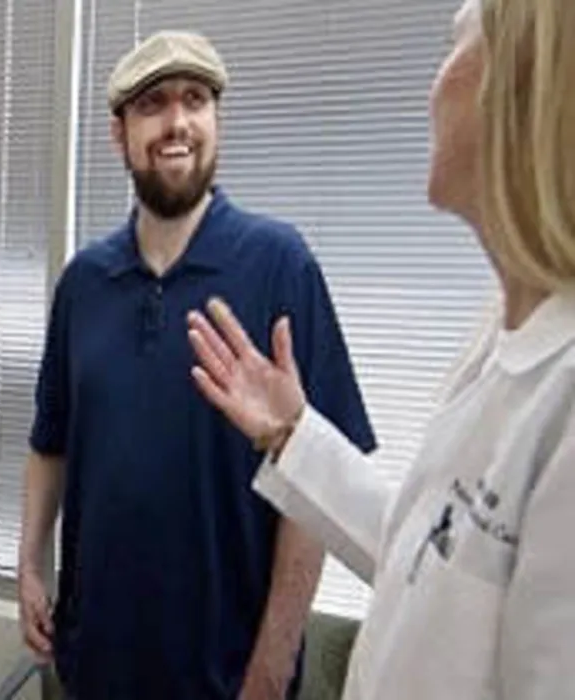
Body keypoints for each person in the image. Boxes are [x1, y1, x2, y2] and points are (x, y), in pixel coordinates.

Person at [187, 0, 575, 698]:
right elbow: (430, 556)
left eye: (456, 44)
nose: (434, 82)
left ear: (528, 84)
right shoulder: (503, 336)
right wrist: (291, 435)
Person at [19, 30, 375, 700]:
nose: (177, 121)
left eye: (197, 99)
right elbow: (50, 443)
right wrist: (29, 564)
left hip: (229, 674)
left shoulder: (279, 264)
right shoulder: (84, 284)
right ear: (118, 133)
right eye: (153, 103)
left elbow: (318, 491)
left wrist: (273, 663)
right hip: (95, 661)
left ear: (217, 121)